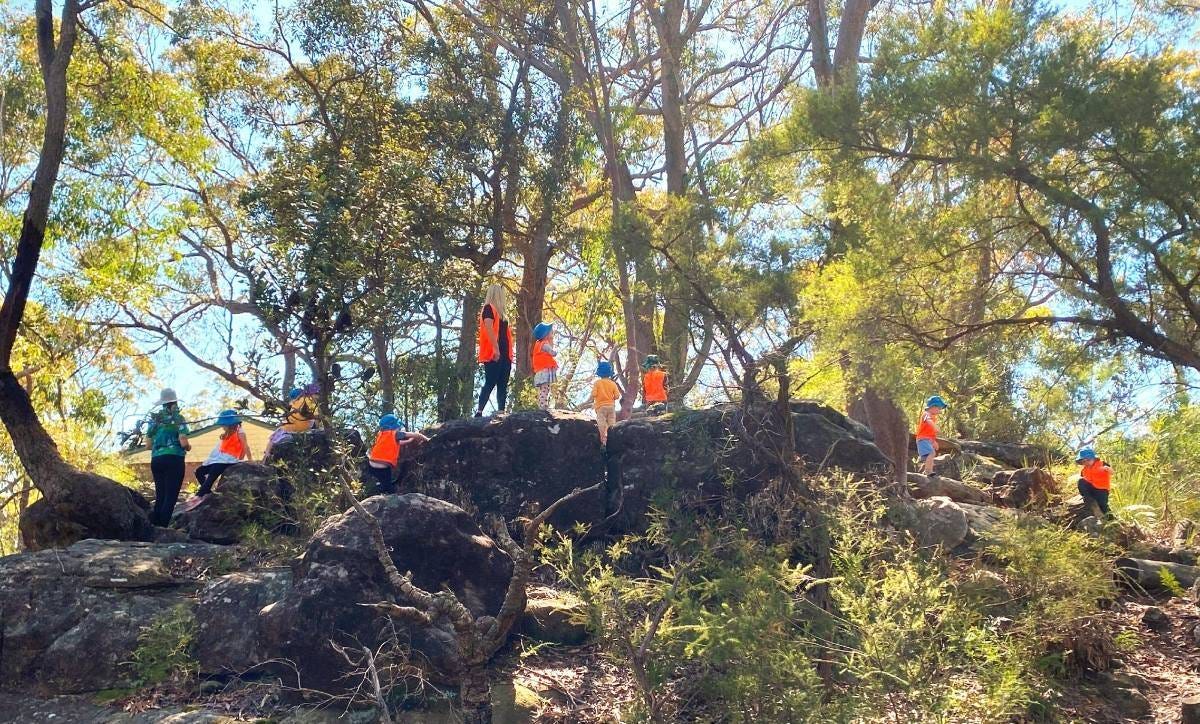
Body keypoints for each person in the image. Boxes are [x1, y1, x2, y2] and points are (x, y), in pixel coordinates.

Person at [145, 388, 191, 527]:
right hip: (174, 459)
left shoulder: (155, 419)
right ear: (175, 402)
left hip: (157, 460)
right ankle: (162, 528)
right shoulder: (178, 419)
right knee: (170, 496)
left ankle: (154, 526)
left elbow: (148, 445)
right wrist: (188, 447)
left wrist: (160, 446)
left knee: (160, 495)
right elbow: (183, 442)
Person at [366, 414, 430, 495]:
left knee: (384, 481)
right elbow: (416, 435)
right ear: (395, 426)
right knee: (389, 489)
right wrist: (427, 439)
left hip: (371, 465)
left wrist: (409, 441)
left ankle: (380, 487)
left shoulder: (381, 434)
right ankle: (388, 493)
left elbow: (396, 443)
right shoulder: (395, 434)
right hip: (383, 468)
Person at [476, 283, 514, 417]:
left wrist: (509, 354)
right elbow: (489, 328)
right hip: (494, 352)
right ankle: (479, 412)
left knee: (503, 384)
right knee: (490, 381)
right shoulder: (488, 308)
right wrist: (495, 348)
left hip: (506, 354)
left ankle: (501, 411)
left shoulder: (502, 314)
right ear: (497, 295)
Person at [194, 410, 251, 497]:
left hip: (228, 460)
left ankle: (200, 495)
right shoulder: (227, 434)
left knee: (213, 473)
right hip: (219, 459)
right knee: (199, 472)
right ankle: (208, 493)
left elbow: (245, 447)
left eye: (223, 424)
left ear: (230, 424)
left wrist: (250, 460)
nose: (222, 426)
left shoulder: (240, 432)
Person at [264, 386, 317, 458]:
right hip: (302, 432)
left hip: (287, 429)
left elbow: (285, 416)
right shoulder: (310, 404)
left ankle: (267, 453)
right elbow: (313, 420)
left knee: (272, 440)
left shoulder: (293, 403)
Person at [915, 395, 948, 476]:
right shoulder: (926, 414)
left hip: (928, 440)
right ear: (933, 407)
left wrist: (934, 442)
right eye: (939, 408)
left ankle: (926, 470)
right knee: (931, 453)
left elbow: (931, 433)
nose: (940, 411)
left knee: (930, 455)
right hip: (922, 439)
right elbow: (928, 421)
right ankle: (928, 471)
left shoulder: (933, 417)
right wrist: (935, 426)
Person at [1075, 447, 1113, 517]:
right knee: (1081, 481)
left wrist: (1108, 469)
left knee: (1103, 505)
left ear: (1094, 458)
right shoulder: (1084, 469)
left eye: (1088, 460)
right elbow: (1083, 480)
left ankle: (1111, 519)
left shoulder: (1102, 464)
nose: (1086, 462)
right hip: (1091, 488)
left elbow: (1112, 472)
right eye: (1084, 461)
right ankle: (1088, 498)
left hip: (1102, 489)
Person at [592, 361, 621, 446]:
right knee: (612, 424)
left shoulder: (597, 383)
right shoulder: (613, 384)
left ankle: (603, 441)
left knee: (601, 424)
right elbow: (617, 396)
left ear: (599, 373)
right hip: (611, 407)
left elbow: (594, 394)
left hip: (600, 407)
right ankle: (612, 440)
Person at [531, 322, 559, 411]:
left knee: (542, 389)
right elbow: (552, 352)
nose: (552, 332)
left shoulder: (538, 344)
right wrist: (555, 351)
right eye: (550, 331)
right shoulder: (544, 344)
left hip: (540, 371)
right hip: (545, 371)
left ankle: (542, 404)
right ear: (545, 334)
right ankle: (543, 405)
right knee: (545, 388)